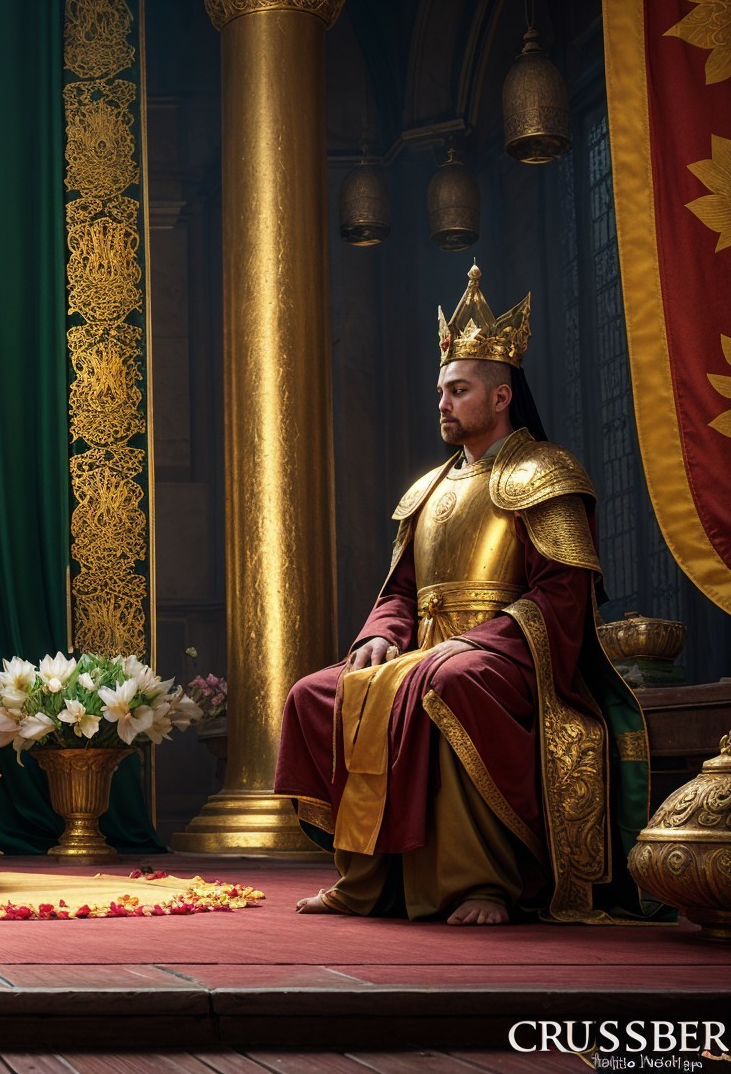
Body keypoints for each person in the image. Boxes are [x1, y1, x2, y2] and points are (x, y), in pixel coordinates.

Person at [276, 264, 652, 926]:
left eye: (457, 390)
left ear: (501, 397)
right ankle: (367, 878)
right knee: (316, 693)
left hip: (508, 661)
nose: (442, 404)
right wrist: (379, 636)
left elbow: (562, 598)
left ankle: (481, 882)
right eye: (440, 391)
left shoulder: (546, 474)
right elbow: (400, 591)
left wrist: (474, 642)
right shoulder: (427, 490)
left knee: (449, 679)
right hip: (420, 654)